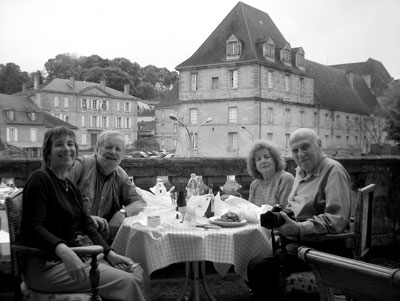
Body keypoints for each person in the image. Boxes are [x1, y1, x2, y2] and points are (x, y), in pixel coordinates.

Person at [21, 126, 150, 300]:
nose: (67, 149)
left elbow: (86, 223)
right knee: (128, 281)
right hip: (47, 265)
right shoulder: (40, 179)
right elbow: (33, 226)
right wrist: (65, 252)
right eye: (59, 144)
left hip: (77, 255)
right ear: (47, 152)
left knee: (137, 271)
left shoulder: (69, 186)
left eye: (70, 144)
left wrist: (109, 253)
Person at [247, 128, 351, 300]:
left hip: (322, 251)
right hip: (300, 245)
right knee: (256, 262)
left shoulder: (333, 171)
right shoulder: (301, 171)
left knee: (258, 267)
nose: (300, 154)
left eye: (305, 147)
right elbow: (295, 207)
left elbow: (336, 220)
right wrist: (283, 215)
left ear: (319, 144)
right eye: (295, 150)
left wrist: (298, 228)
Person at [68, 131, 146, 239]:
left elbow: (139, 203)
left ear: (122, 155)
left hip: (100, 241)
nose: (113, 152)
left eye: (118, 149)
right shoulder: (81, 166)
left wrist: (122, 213)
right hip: (72, 236)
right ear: (97, 149)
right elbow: (56, 195)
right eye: (108, 147)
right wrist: (85, 219)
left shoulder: (121, 176)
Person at [246, 140, 294, 207]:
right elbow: (250, 211)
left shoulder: (285, 179)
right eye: (258, 159)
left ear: (275, 159)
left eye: (266, 157)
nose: (263, 161)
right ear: (254, 165)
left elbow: (286, 210)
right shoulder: (254, 185)